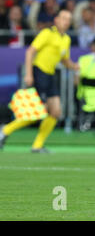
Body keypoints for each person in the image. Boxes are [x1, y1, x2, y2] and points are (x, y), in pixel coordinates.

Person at [0, 10, 79, 152]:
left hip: (51, 75)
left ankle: (37, 146)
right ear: (56, 20)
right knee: (37, 112)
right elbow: (30, 51)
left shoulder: (66, 39)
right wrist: (29, 74)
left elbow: (64, 59)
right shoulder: (47, 33)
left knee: (55, 112)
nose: (66, 22)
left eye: (69, 19)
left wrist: (74, 66)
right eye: (63, 18)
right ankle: (5, 130)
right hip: (39, 72)